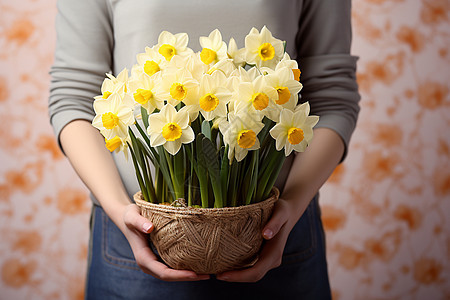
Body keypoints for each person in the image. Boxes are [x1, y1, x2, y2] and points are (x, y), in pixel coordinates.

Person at [49, 0, 360, 299]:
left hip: (278, 235)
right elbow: (73, 96)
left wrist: (291, 207)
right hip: (135, 237)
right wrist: (120, 210)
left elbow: (332, 97)